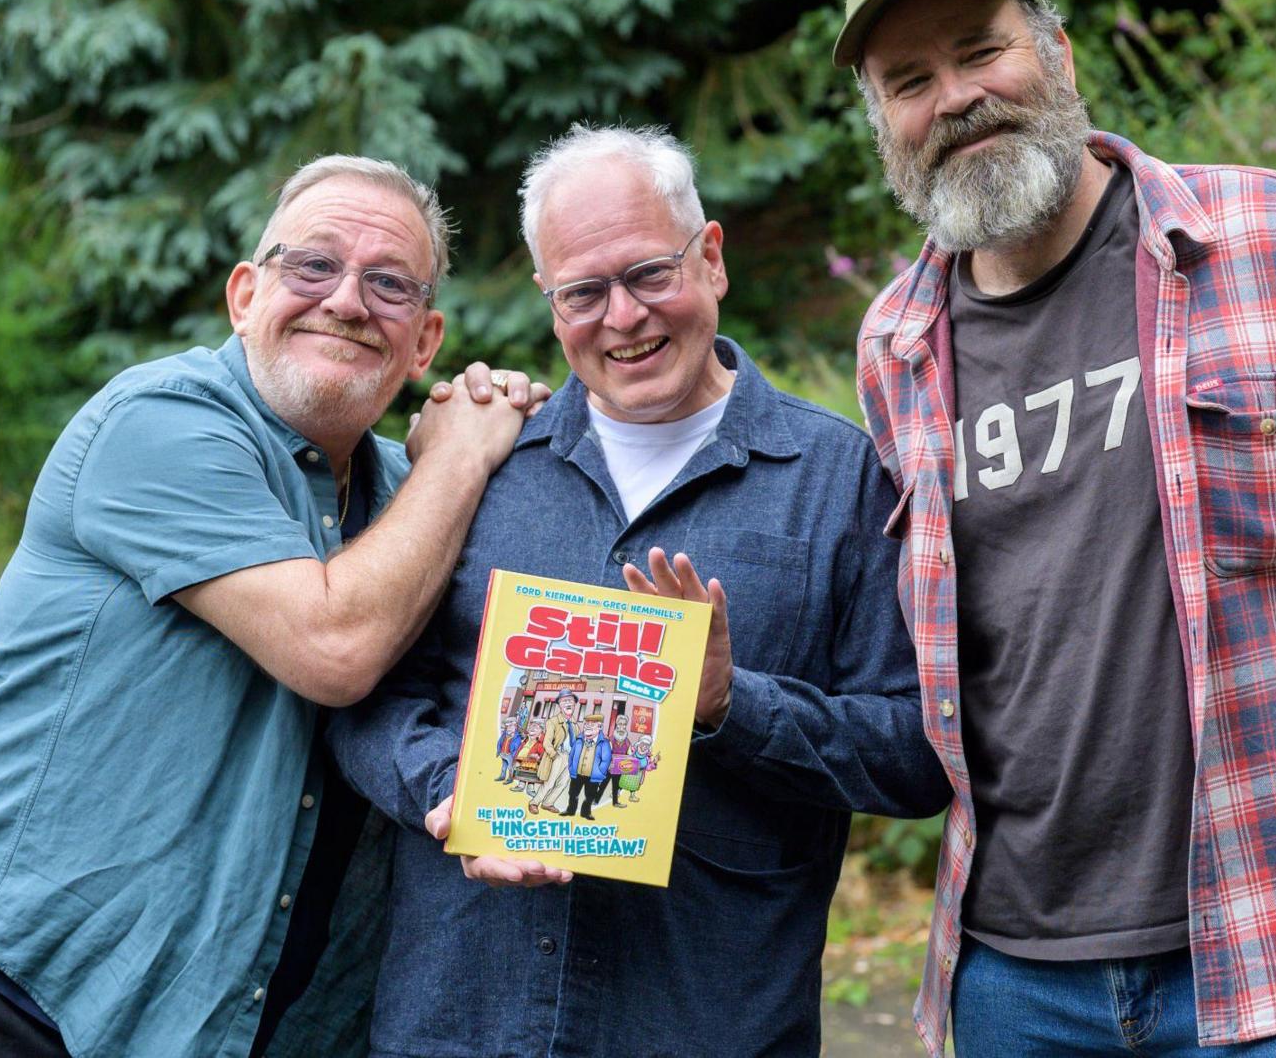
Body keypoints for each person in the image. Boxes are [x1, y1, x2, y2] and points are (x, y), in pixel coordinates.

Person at [834, 0, 1276, 1057]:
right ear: (884, 122)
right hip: (1011, 970)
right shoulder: (894, 342)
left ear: (1059, 54)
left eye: (979, 51)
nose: (953, 98)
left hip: (1275, 946)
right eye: (909, 80)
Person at [0, 155, 546, 1058]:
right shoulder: (160, 422)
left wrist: (514, 802)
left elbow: (482, 670)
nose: (345, 300)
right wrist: (460, 455)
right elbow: (335, 645)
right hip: (6, 1000)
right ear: (244, 295)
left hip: (210, 1025)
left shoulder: (403, 499)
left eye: (388, 284)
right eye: (313, 265)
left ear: (425, 341)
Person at [328, 124, 950, 1057]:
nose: (623, 317)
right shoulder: (485, 465)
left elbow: (916, 755)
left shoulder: (838, 478)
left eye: (649, 274)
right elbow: (365, 699)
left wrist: (732, 704)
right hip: (464, 1020)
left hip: (706, 1023)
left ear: (711, 259)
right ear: (550, 303)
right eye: (584, 291)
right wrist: (449, 787)